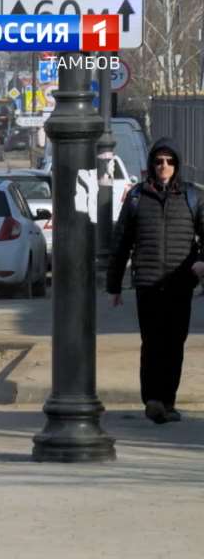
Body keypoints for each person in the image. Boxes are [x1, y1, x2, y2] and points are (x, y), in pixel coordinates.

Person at [107, 138, 204, 424]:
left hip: (179, 283)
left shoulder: (192, 197)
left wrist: (201, 261)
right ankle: (152, 399)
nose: (164, 166)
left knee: (174, 343)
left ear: (177, 164)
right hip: (147, 283)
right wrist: (114, 286)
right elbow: (121, 242)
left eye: (169, 161)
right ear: (151, 164)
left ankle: (167, 402)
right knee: (151, 342)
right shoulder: (138, 197)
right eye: (159, 161)